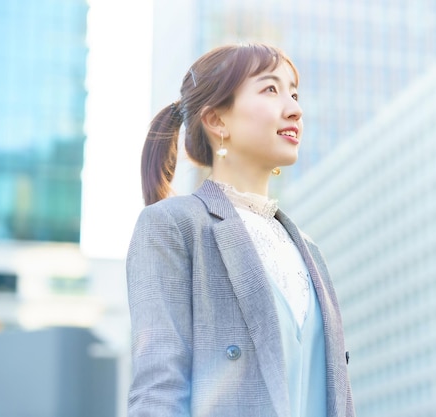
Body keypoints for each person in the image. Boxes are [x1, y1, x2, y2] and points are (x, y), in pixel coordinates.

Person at [126, 43, 355, 417]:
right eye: (270, 89)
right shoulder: (175, 225)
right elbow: (159, 390)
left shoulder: (308, 250)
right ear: (217, 120)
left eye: (294, 93)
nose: (295, 108)